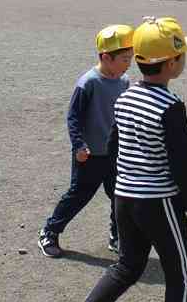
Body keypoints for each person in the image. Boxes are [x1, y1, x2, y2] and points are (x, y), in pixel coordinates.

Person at [55, 17, 187, 302]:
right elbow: (182, 165)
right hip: (158, 200)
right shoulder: (170, 106)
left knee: (127, 266)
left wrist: (119, 190)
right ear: (172, 63)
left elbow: (114, 147)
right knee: (182, 274)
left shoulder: (126, 96)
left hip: (126, 198)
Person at [39, 25, 134, 259]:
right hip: (90, 154)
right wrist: (79, 145)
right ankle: (49, 232)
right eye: (124, 59)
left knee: (120, 197)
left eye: (129, 58)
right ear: (105, 57)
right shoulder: (88, 83)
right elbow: (73, 117)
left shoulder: (124, 81)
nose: (128, 64)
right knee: (78, 195)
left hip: (115, 154)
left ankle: (117, 236)